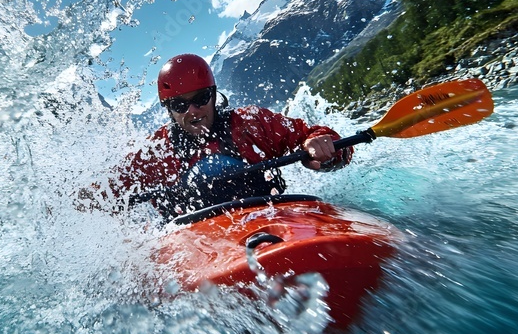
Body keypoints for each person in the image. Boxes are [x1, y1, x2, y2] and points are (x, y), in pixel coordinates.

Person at [107, 54, 352, 219]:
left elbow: (319, 137)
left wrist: (320, 148)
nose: (192, 111)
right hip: (195, 240)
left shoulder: (251, 123)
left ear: (213, 95)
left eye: (200, 99)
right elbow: (111, 187)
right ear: (168, 109)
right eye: (179, 105)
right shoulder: (158, 151)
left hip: (267, 217)